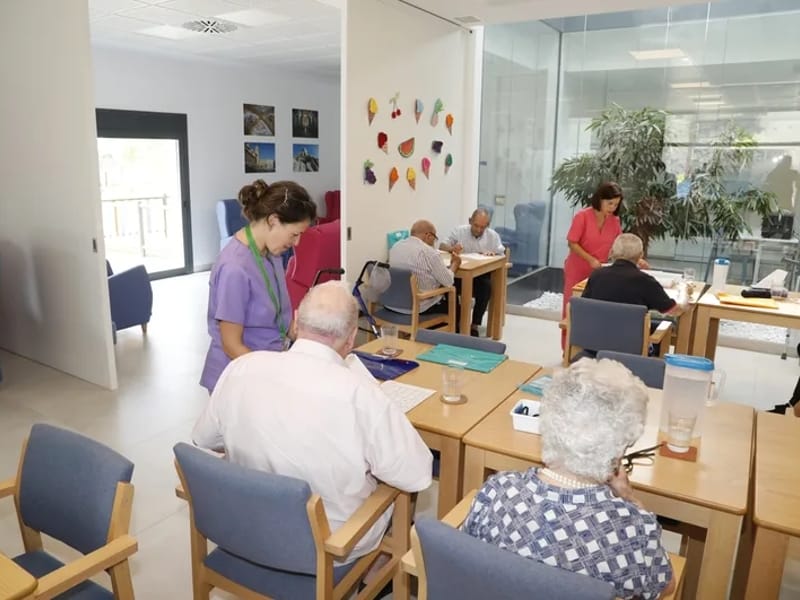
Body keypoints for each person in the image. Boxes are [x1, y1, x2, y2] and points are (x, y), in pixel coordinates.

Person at [193, 281, 433, 562]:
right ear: (351, 337)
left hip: (245, 529)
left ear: (295, 322)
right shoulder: (362, 394)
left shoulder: (241, 368)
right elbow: (416, 474)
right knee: (393, 487)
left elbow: (204, 438)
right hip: (327, 546)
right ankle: (375, 572)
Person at [462, 358, 675, 600]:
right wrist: (629, 498)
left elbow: (466, 555)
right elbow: (666, 586)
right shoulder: (632, 530)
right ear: (618, 451)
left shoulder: (497, 491)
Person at [199, 179, 317, 393]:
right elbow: (231, 345)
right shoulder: (235, 267)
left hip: (268, 365)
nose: (297, 243)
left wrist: (297, 332)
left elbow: (273, 312)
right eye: (294, 234)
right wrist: (270, 376)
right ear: (273, 220)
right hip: (239, 378)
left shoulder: (271, 253)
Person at [562, 182, 638, 348]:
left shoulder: (615, 221)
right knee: (573, 309)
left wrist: (636, 258)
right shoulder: (582, 216)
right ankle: (568, 348)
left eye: (616, 204)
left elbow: (620, 244)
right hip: (577, 269)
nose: (612, 207)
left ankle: (590, 347)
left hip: (600, 273)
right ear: (600, 199)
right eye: (609, 203)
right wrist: (590, 259)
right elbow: (572, 243)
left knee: (595, 311)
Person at [439, 208, 505, 336]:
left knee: (486, 287)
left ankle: (474, 325)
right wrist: (452, 248)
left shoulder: (492, 236)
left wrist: (494, 254)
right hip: (460, 273)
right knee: (447, 283)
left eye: (483, 227)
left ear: (487, 225)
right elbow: (442, 246)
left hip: (480, 277)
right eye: (476, 226)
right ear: (470, 221)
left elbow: (502, 255)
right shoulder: (459, 231)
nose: (479, 230)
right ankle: (456, 322)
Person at [582, 233, 684, 315]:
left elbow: (582, 306)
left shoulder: (596, 276)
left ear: (612, 252)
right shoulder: (646, 281)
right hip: (630, 339)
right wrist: (685, 304)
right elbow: (672, 310)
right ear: (641, 255)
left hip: (594, 337)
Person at [387, 219, 461, 318]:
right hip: (419, 307)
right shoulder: (429, 253)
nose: (434, 242)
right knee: (453, 294)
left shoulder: (396, 247)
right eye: (434, 238)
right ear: (428, 236)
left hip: (393, 303)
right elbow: (448, 282)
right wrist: (455, 264)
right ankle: (452, 331)